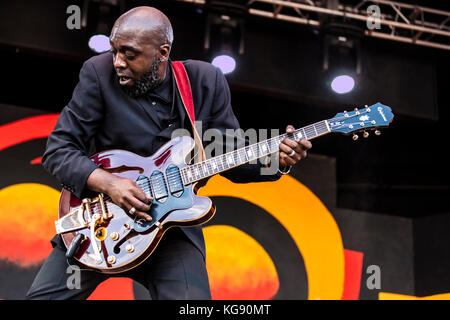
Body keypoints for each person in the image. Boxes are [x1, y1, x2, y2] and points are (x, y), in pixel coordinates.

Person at [26, 6, 312, 300]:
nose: (118, 62)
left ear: (162, 52)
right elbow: (59, 150)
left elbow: (227, 156)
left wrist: (275, 159)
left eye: (129, 54)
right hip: (101, 221)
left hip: (171, 229)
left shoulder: (204, 81)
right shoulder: (98, 73)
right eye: (114, 51)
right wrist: (109, 183)